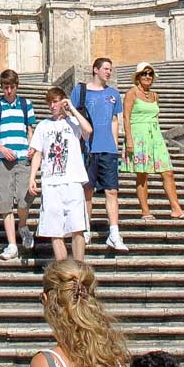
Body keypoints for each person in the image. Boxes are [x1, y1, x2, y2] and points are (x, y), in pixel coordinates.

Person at [28, 87, 94, 262]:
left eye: (55, 101)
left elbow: (88, 131)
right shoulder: (43, 125)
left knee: (77, 228)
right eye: (50, 102)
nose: (52, 105)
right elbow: (38, 152)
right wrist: (32, 177)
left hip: (72, 181)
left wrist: (71, 108)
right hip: (51, 183)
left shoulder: (73, 122)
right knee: (54, 231)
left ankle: (79, 268)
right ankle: (64, 271)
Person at [122, 63, 184, 221]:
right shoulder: (131, 93)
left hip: (155, 135)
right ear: (138, 77)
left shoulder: (155, 95)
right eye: (144, 74)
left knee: (168, 172)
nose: (148, 77)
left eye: (150, 74)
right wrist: (129, 140)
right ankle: (145, 211)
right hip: (138, 135)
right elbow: (126, 117)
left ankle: (176, 208)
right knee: (142, 174)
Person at [72, 57, 128, 252]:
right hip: (87, 148)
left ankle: (114, 232)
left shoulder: (113, 94)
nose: (109, 72)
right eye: (105, 69)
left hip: (107, 149)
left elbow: (114, 121)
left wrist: (115, 144)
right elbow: (73, 118)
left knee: (112, 191)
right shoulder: (80, 91)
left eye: (110, 69)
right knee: (87, 191)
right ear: (95, 70)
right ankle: (86, 229)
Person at [0, 68, 36, 261]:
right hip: (2, 160)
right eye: (5, 87)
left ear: (17, 87)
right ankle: (12, 244)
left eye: (11, 87)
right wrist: (1, 148)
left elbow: (30, 130)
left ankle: (22, 226)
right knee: (5, 202)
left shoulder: (26, 104)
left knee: (24, 200)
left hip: (23, 158)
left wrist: (31, 147)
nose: (8, 91)